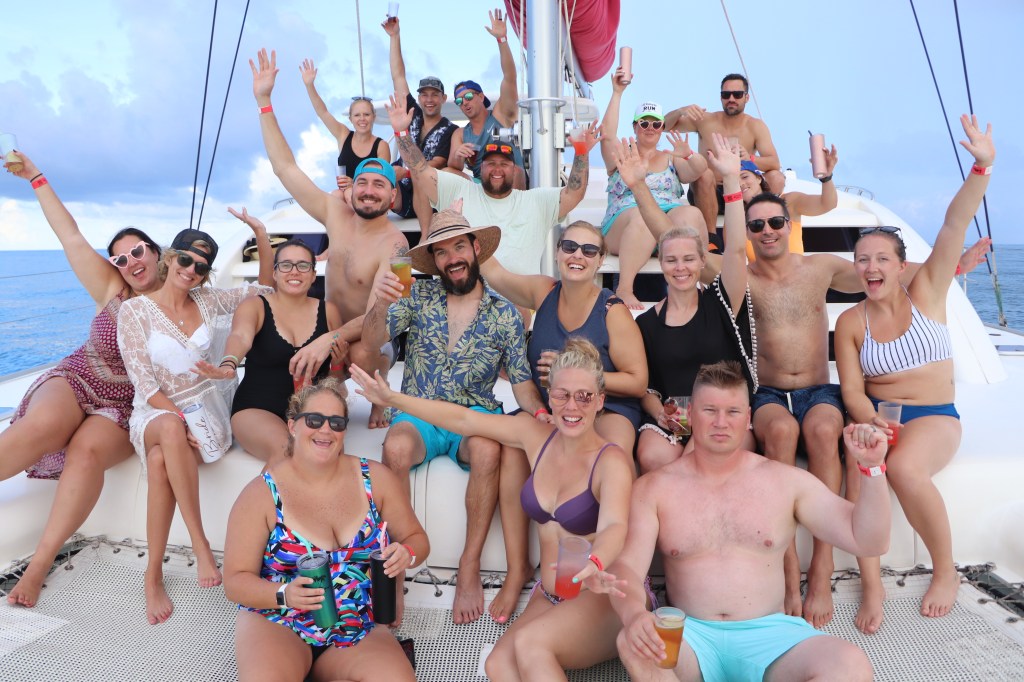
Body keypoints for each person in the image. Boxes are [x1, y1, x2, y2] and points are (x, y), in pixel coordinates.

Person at [351, 337, 634, 681]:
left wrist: (596, 562)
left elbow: (615, 526)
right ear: (550, 397)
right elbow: (463, 420)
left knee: (531, 646)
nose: (572, 406)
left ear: (600, 400)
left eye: (584, 396)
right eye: (562, 395)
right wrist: (393, 398)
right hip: (551, 594)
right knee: (497, 666)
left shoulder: (610, 461)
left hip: (600, 591)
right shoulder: (535, 436)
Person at [593, 361, 890, 682]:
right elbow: (627, 569)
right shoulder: (654, 488)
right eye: (710, 410)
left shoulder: (784, 481)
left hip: (772, 636)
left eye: (732, 412)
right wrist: (634, 615)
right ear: (690, 415)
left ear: (748, 418)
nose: (721, 422)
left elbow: (868, 540)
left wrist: (872, 468)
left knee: (850, 666)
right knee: (632, 643)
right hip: (692, 636)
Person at [834, 115, 993, 635]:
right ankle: (872, 584)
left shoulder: (927, 291)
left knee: (903, 470)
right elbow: (853, 391)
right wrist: (870, 423)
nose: (871, 267)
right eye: (862, 260)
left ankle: (945, 570)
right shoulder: (851, 322)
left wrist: (981, 167)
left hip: (935, 415)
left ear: (901, 266)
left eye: (882, 258)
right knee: (862, 470)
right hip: (878, 418)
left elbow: (953, 225)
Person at [360, 208, 548, 625]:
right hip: (419, 411)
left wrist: (539, 412)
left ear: (475, 249)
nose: (452, 258)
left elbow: (520, 383)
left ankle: (469, 564)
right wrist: (381, 303)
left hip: (473, 414)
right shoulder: (417, 294)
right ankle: (395, 568)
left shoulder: (505, 314)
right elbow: (372, 340)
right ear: (435, 261)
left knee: (487, 449)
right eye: (442, 252)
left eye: (459, 247)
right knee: (396, 446)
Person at [1, 151, 163, 608]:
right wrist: (36, 177)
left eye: (138, 251)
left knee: (86, 453)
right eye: (120, 257)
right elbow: (69, 234)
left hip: (127, 404)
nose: (130, 261)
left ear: (156, 252)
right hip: (79, 376)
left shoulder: (184, 303)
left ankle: (37, 568)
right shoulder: (113, 288)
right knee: (44, 426)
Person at [117, 228, 273, 625]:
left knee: (159, 463)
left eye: (201, 267)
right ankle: (200, 543)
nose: (191, 270)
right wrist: (180, 419)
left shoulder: (209, 299)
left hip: (209, 412)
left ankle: (153, 573)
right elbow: (145, 386)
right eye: (185, 260)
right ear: (170, 258)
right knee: (170, 429)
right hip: (154, 411)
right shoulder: (134, 312)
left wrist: (261, 235)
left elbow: (264, 291)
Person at [223, 378, 427, 682]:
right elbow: (235, 582)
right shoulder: (261, 494)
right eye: (314, 420)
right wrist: (284, 594)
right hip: (279, 621)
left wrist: (406, 553)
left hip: (358, 624)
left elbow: (417, 539)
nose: (325, 430)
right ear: (293, 425)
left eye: (336, 422)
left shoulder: (376, 478)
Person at [252, 48, 409, 428]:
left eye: (379, 185)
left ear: (392, 197)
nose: (368, 191)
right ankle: (332, 379)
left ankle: (379, 388)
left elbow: (384, 319)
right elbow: (285, 168)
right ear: (351, 189)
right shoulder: (335, 214)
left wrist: (331, 339)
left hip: (371, 338)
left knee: (364, 351)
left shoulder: (398, 246)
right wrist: (264, 103)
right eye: (362, 182)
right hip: (329, 326)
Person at [612, 134, 757, 473]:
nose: (681, 268)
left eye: (689, 259)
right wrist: (659, 412)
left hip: (724, 412)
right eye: (672, 260)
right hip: (675, 416)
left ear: (702, 261)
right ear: (661, 264)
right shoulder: (647, 323)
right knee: (653, 455)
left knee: (700, 454)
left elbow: (736, 250)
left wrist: (731, 179)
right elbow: (646, 386)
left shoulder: (722, 301)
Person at [481, 219, 647, 454]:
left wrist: (574, 373)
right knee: (510, 450)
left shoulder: (612, 311)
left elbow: (638, 383)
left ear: (600, 260)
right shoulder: (543, 291)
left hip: (605, 409)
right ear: (557, 253)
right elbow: (495, 274)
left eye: (589, 250)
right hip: (549, 408)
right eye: (569, 247)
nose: (578, 255)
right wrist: (460, 231)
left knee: (608, 453)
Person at [387, 93, 597, 277]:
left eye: (504, 164)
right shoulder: (460, 189)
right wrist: (401, 133)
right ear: (481, 167)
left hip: (518, 302)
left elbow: (574, 193)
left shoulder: (535, 200)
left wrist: (581, 152)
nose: (497, 169)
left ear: (514, 169)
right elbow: (420, 170)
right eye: (490, 164)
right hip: (467, 297)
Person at [194, 225, 345, 465]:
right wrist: (228, 363)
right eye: (286, 265)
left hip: (312, 411)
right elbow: (240, 336)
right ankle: (268, 493)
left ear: (313, 274)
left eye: (303, 265)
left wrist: (337, 364)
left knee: (327, 457)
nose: (294, 271)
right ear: (275, 273)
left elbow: (335, 378)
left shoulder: (330, 312)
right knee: (287, 452)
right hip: (257, 409)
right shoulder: (254, 306)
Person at [598, 67, 709, 309]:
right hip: (627, 224)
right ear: (635, 126)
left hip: (666, 228)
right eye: (644, 123)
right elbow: (606, 135)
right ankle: (624, 288)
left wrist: (688, 154)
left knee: (691, 213)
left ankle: (697, 285)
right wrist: (617, 93)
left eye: (656, 124)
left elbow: (698, 169)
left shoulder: (671, 156)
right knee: (642, 216)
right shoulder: (623, 153)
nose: (650, 127)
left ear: (662, 128)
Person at [665, 73, 785, 235]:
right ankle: (712, 238)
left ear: (747, 97)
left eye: (737, 94)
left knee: (776, 178)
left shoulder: (756, 126)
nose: (731, 99)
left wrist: (749, 158)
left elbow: (774, 163)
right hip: (708, 191)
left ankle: (765, 223)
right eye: (726, 95)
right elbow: (663, 126)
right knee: (704, 174)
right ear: (721, 97)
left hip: (742, 191)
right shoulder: (705, 120)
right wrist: (680, 111)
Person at [381, 16, 457, 231]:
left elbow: (439, 163)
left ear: (443, 98)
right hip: (402, 191)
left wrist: (406, 172)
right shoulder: (411, 114)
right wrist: (394, 36)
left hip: (427, 195)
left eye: (435, 95)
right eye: (424, 95)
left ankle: (425, 235)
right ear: (419, 98)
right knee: (376, 175)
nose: (429, 99)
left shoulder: (451, 130)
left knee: (417, 173)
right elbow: (398, 75)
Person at [446, 8, 526, 188]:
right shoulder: (460, 134)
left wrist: (502, 39)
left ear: (481, 96)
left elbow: (510, 77)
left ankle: (514, 204)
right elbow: (454, 166)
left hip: (510, 184)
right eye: (459, 101)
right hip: (481, 188)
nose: (464, 102)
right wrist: (458, 154)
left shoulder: (500, 115)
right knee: (446, 173)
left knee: (516, 170)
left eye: (468, 96)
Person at [299, 57, 390, 192]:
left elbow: (383, 180)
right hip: (343, 195)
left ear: (373, 117)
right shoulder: (343, 134)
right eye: (357, 115)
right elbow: (323, 112)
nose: (362, 119)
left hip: (368, 196)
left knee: (342, 194)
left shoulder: (382, 146)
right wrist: (309, 86)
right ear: (350, 119)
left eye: (366, 114)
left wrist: (354, 184)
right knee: (336, 194)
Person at [739, 150, 838, 260]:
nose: (740, 184)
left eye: (744, 176)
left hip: (796, 270)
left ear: (759, 178)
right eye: (756, 225)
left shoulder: (789, 202)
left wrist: (826, 177)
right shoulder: (737, 220)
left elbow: (827, 204)